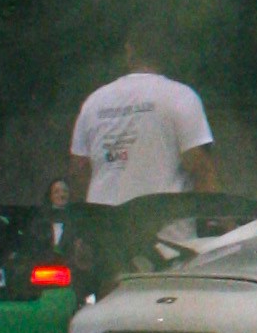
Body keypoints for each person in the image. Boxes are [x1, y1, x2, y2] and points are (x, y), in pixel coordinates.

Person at [67, 35, 220, 207]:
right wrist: (225, 223)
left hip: (103, 227)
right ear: (166, 54)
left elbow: (79, 170)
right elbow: (201, 169)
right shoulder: (181, 96)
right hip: (163, 229)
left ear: (128, 50)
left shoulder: (93, 102)